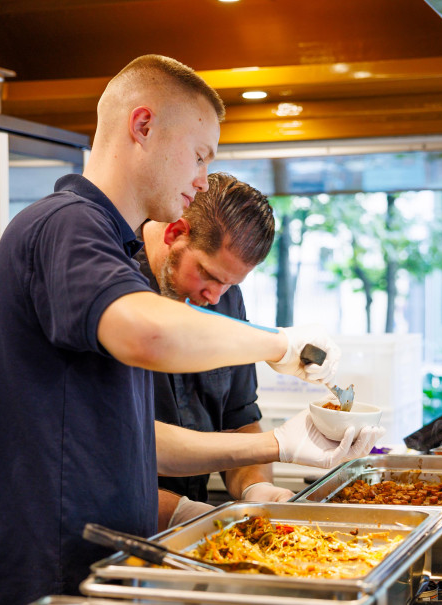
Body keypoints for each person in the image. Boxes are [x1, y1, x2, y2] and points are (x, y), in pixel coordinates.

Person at [0, 54, 385, 605]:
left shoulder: (110, 248)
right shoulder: (66, 224)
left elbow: (141, 446)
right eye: (199, 154)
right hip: (52, 578)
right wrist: (280, 344)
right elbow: (151, 335)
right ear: (142, 127)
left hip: (109, 571)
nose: (202, 178)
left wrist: (277, 448)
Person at [136, 172, 295, 531]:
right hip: (117, 533)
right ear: (176, 234)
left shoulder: (224, 297)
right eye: (207, 274)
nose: (216, 297)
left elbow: (238, 419)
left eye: (230, 284)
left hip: (192, 536)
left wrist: (257, 488)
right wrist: (188, 517)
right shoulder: (114, 285)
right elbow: (105, 458)